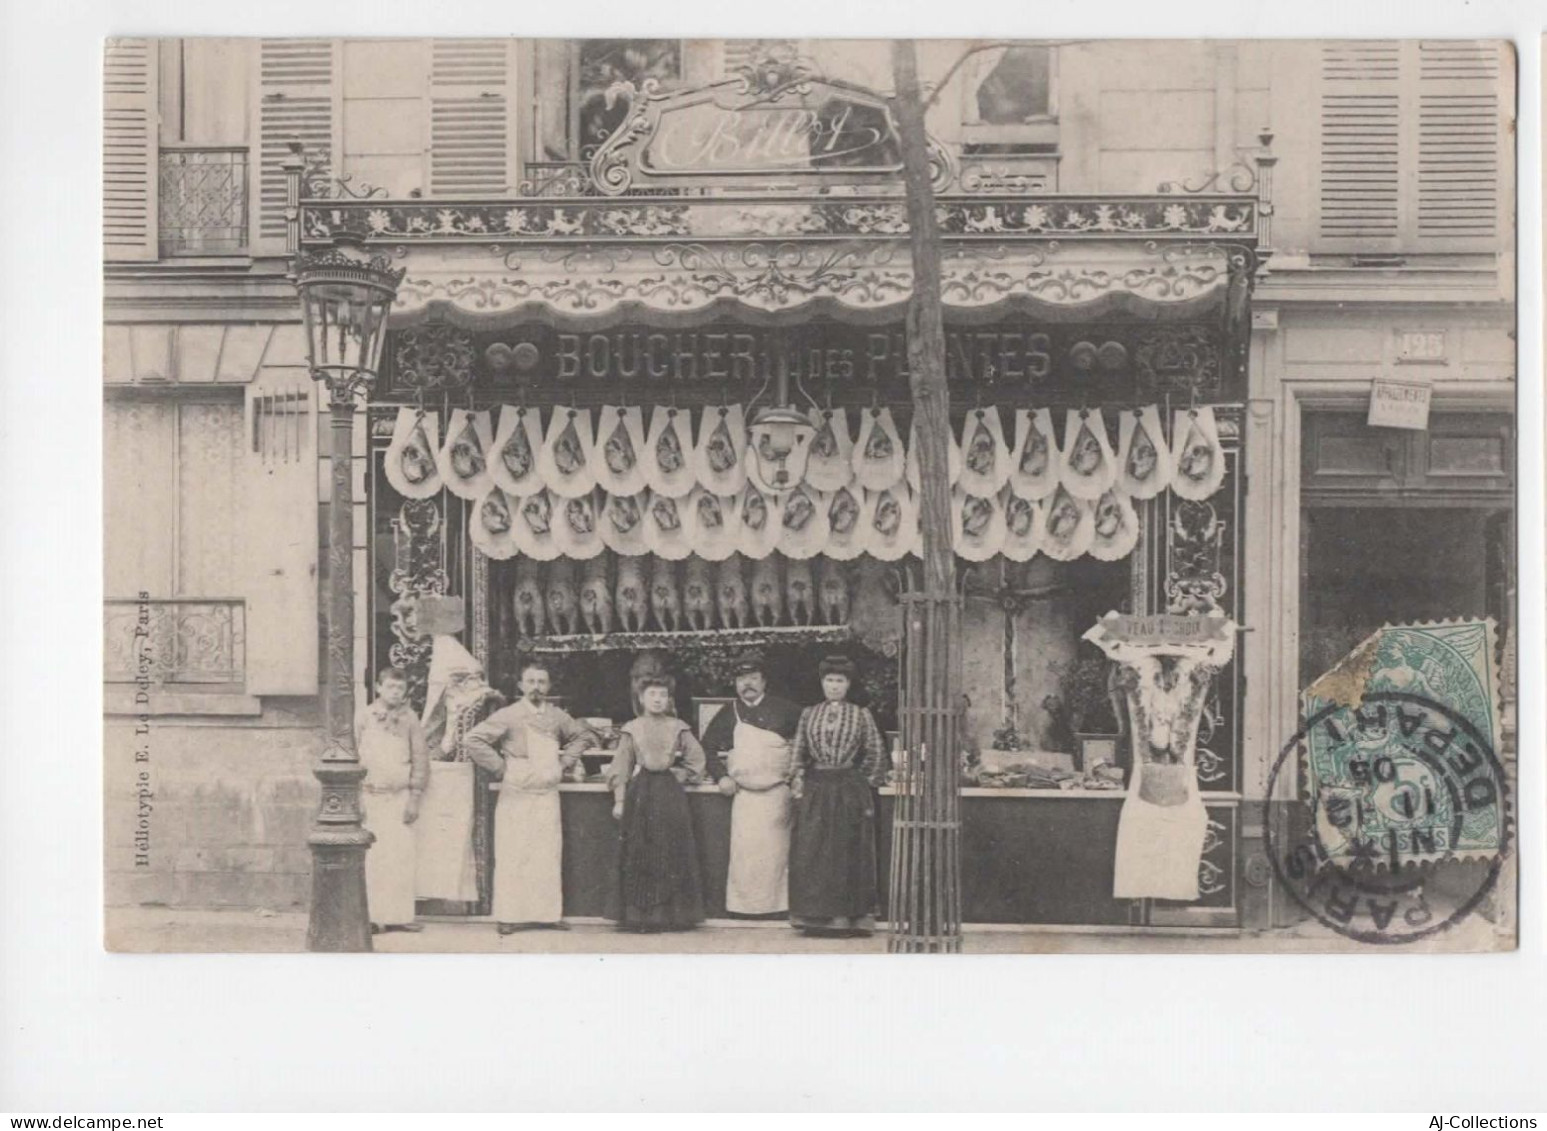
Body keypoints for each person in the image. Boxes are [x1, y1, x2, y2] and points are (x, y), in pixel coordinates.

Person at [463, 661, 599, 934]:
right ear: (521, 686)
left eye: (541, 682)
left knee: (546, 853)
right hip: (517, 792)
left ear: (548, 686)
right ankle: (509, 917)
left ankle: (547, 915)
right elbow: (473, 740)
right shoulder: (509, 715)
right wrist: (502, 768)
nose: (536, 687)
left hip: (547, 793)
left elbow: (583, 736)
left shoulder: (558, 716)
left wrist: (565, 763)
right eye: (531, 681)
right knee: (514, 853)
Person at [788, 655, 888, 937]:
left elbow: (875, 752)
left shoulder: (860, 714)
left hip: (848, 789)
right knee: (814, 851)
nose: (834, 686)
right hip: (816, 789)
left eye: (840, 681)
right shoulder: (809, 714)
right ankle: (815, 917)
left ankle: (850, 918)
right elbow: (798, 751)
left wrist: (863, 785)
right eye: (829, 680)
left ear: (848, 685)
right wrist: (797, 782)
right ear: (822, 683)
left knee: (846, 851)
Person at [701, 651, 803, 916]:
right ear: (735, 683)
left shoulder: (787, 711)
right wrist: (720, 776)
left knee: (776, 857)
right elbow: (706, 748)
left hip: (778, 795)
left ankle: (779, 909)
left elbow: (805, 745)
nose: (748, 684)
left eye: (753, 677)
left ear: (764, 681)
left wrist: (798, 777)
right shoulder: (728, 712)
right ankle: (742, 909)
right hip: (745, 797)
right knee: (746, 857)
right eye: (742, 678)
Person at [606, 675, 707, 932]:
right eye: (652, 694)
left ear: (669, 699)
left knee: (670, 850)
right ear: (641, 698)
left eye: (663, 695)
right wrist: (619, 799)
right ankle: (641, 916)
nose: (658, 699)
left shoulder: (678, 727)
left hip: (669, 792)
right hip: (640, 793)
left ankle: (670, 916)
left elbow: (697, 759)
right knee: (641, 852)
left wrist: (680, 774)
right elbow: (622, 765)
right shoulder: (632, 728)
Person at [356, 666, 430, 934]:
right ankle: (373, 917)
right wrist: (357, 798)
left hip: (399, 798)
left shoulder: (410, 719)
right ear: (378, 688)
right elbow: (353, 755)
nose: (395, 692)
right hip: (371, 796)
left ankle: (399, 916)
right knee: (374, 857)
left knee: (400, 856)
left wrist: (415, 798)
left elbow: (420, 760)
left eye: (400, 688)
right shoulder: (364, 717)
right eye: (390, 687)